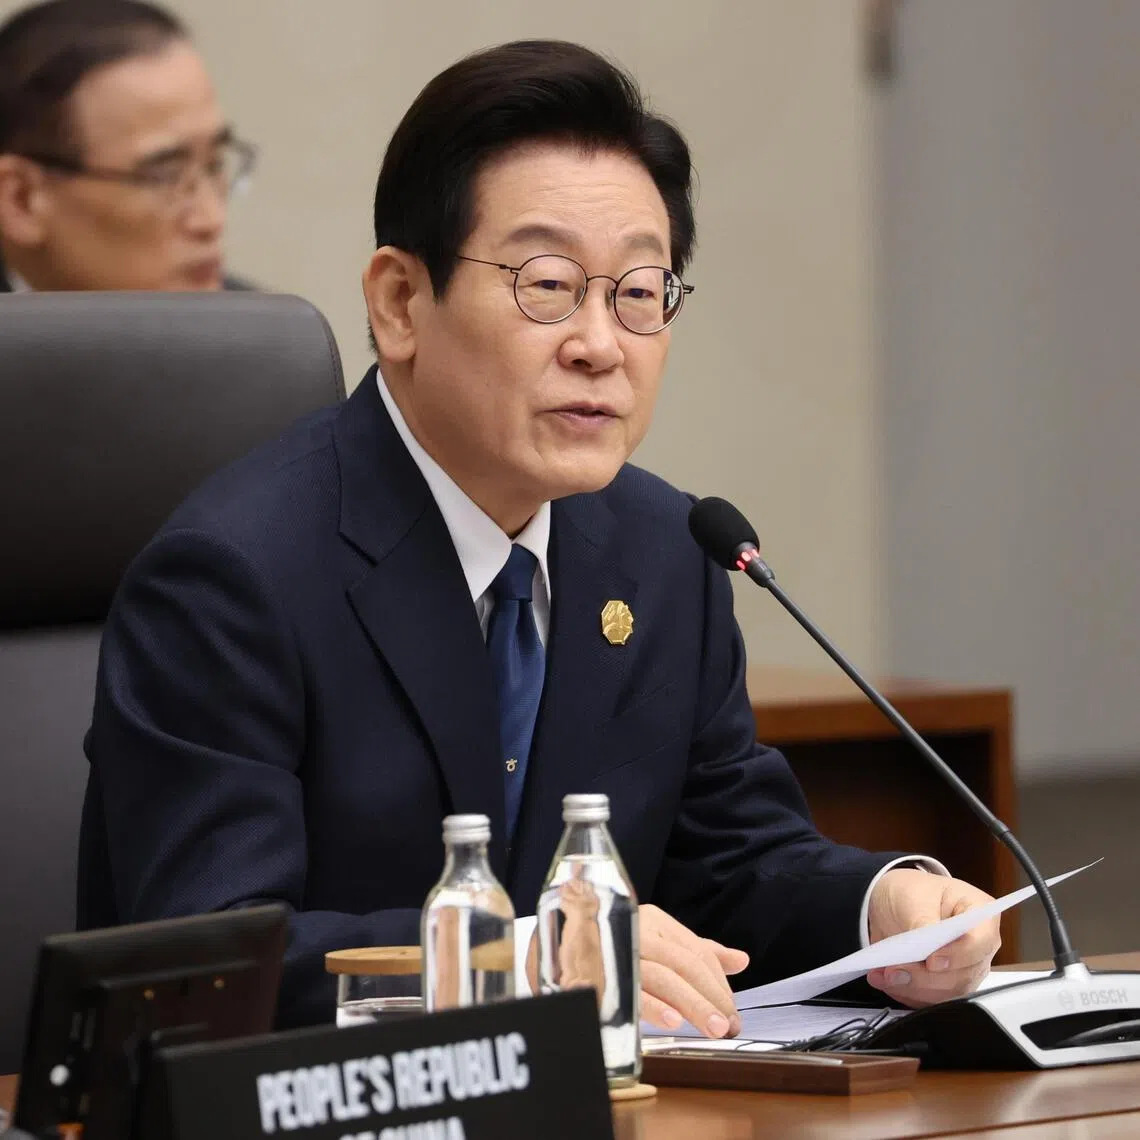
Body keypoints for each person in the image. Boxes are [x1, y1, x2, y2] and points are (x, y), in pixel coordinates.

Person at [80, 40, 1001, 1033]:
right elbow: (206, 956)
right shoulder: (235, 576)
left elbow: (732, 868)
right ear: (399, 301)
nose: (600, 345)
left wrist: (888, 912)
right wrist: (523, 959)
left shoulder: (663, 552)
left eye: (640, 292)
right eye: (549, 285)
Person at [0, 0, 255, 292]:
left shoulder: (264, 331)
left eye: (215, 164)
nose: (212, 221)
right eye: (164, 176)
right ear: (20, 199)